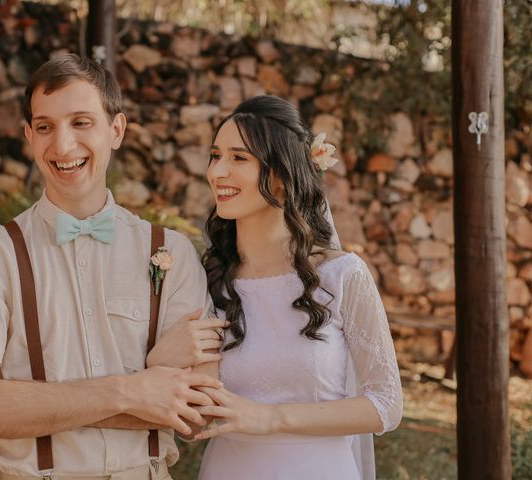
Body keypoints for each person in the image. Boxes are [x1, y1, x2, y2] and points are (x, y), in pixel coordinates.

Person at [0, 54, 225, 480]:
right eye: (45, 127)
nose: (63, 145)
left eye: (81, 122)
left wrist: (29, 405)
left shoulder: (171, 253)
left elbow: (197, 411)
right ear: (29, 136)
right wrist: (133, 388)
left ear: (116, 130)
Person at [151, 95, 403, 479]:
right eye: (215, 156)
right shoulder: (210, 281)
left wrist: (270, 418)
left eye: (239, 158)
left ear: (282, 175)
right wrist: (161, 362)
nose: (218, 171)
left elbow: (386, 404)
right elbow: (195, 427)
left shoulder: (343, 276)